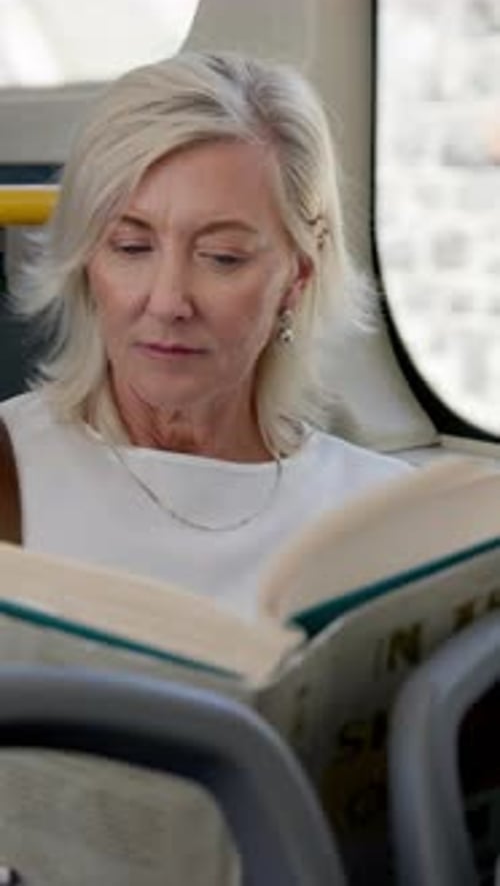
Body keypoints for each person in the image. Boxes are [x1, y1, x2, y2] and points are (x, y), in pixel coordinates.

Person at [0, 50, 409, 621]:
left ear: (297, 276)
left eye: (222, 257)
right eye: (132, 247)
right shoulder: (12, 466)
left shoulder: (386, 514)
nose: (168, 301)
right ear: (86, 262)